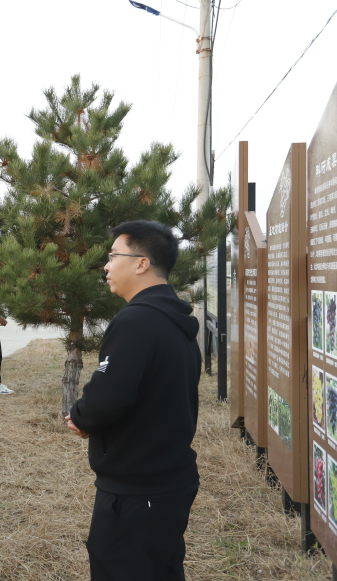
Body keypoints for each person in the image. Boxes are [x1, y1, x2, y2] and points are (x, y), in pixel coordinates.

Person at [66, 220, 201, 581]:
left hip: (137, 492)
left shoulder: (135, 322)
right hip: (168, 483)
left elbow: (106, 397)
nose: (106, 266)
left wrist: (80, 416)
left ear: (141, 263)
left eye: (113, 257)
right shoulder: (177, 320)